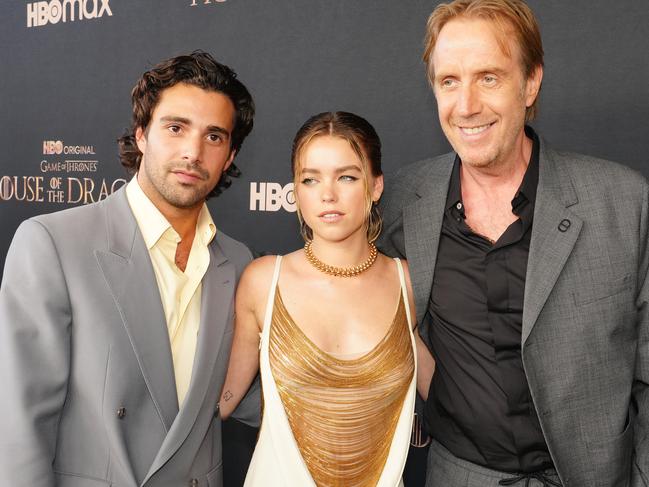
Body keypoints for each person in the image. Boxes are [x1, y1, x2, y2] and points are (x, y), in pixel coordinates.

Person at [378, 1, 649, 486]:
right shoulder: (399, 202)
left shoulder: (624, 203)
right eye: (449, 81)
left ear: (530, 83)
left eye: (488, 77)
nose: (466, 106)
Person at [0, 51, 258, 487]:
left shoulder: (239, 262)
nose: (193, 152)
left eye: (214, 137)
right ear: (141, 134)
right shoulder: (55, 243)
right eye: (175, 128)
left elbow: (236, 396)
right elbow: (22, 422)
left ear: (230, 155)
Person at [219, 111, 435, 486]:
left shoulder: (410, 282)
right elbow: (225, 398)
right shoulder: (263, 280)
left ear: (376, 185)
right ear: (296, 190)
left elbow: (454, 404)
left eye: (347, 176)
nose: (327, 194)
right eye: (310, 179)